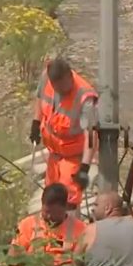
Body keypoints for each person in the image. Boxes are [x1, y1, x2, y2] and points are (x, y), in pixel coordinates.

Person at [30, 58, 98, 213]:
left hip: (73, 158)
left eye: (63, 86)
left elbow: (91, 136)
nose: (60, 90)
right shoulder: (46, 78)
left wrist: (84, 168)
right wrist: (36, 122)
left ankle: (71, 236)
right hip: (54, 155)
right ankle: (50, 236)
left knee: (68, 203)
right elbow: (40, 99)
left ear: (70, 76)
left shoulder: (85, 97)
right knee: (50, 200)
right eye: (56, 87)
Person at [10, 183, 87, 266]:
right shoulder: (27, 225)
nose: (49, 217)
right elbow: (13, 259)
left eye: (54, 213)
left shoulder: (81, 229)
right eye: (46, 212)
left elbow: (83, 265)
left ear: (65, 207)